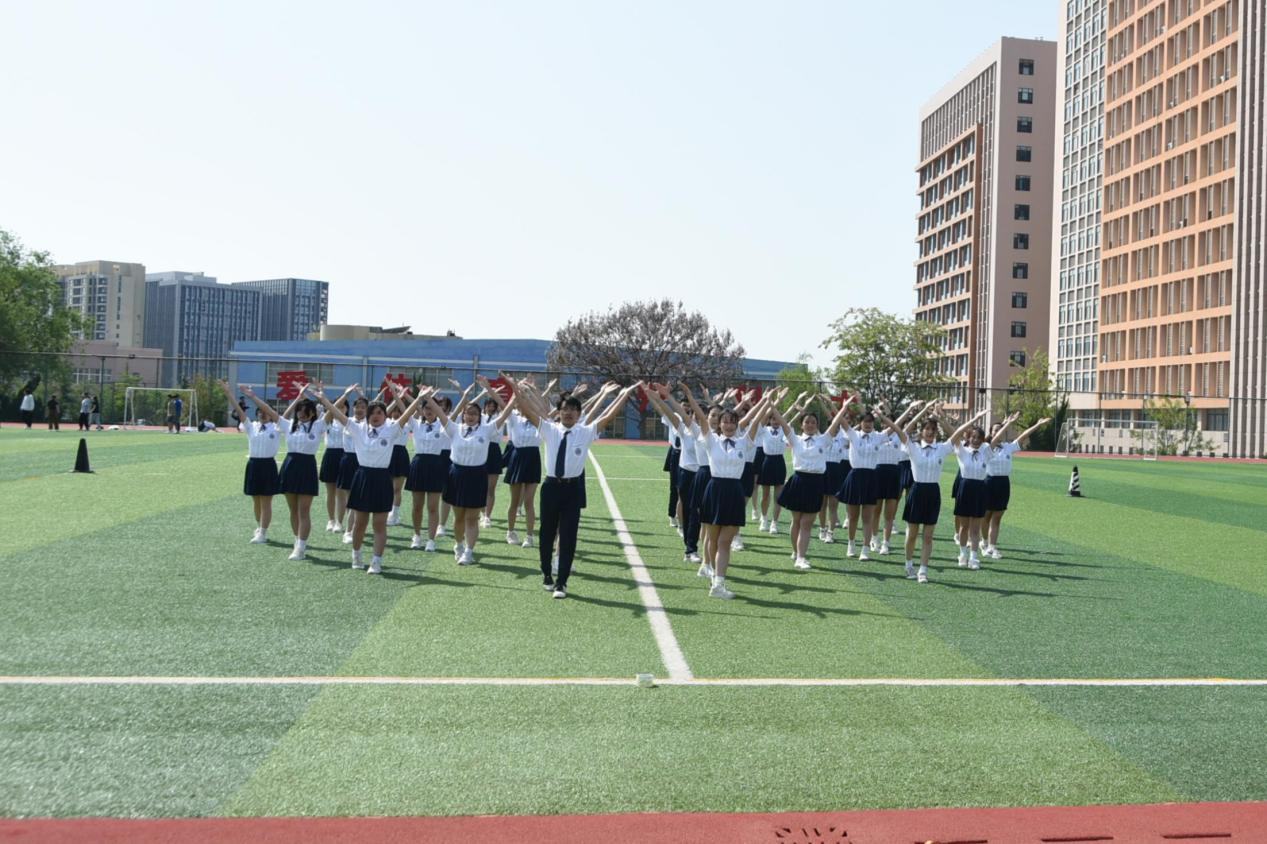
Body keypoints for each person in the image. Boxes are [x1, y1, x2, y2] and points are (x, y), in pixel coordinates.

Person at [509, 378, 638, 598]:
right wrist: (515, 388)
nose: (568, 413)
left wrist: (624, 395)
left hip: (572, 489)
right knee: (547, 534)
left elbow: (608, 416)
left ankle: (562, 582)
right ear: (558, 412)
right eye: (565, 409)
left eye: (573, 409)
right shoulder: (549, 429)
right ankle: (546, 573)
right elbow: (527, 410)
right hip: (551, 488)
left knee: (568, 536)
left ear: (579, 413)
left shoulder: (585, 432)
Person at [311, 382, 429, 574]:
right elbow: (337, 413)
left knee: (379, 524)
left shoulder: (391, 430)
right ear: (367, 415)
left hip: (382, 479)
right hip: (362, 477)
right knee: (360, 523)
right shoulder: (357, 428)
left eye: (380, 413)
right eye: (372, 413)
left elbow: (407, 413)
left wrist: (420, 398)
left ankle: (376, 561)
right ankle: (356, 555)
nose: (375, 416)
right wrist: (323, 399)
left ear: (385, 415)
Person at [419, 376, 514, 566]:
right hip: (457, 475)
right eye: (467, 413)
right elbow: (440, 413)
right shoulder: (454, 428)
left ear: (479, 416)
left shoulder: (487, 430)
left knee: (472, 517)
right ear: (463, 415)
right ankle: (459, 545)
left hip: (477, 475)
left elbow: (506, 412)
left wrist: (514, 392)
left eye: (474, 413)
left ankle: (469, 551)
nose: (470, 416)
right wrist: (428, 397)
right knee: (459, 517)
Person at [892, 402, 981, 583]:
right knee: (912, 534)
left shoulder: (942, 448)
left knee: (928, 536)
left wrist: (974, 419)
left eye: (933, 429)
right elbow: (899, 430)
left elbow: (957, 433)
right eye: (927, 429)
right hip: (917, 491)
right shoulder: (913, 447)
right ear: (921, 432)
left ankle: (923, 570)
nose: (930, 432)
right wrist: (919, 412)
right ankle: (909, 564)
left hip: (933, 492)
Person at [771, 397, 851, 571]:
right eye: (807, 422)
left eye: (813, 422)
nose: (810, 425)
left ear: (817, 425)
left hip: (815, 483)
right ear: (802, 425)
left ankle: (801, 557)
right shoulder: (795, 439)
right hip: (798, 481)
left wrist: (843, 408)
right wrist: (772, 405)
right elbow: (783, 423)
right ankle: (796, 552)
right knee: (796, 520)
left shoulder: (824, 439)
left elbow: (835, 422)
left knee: (807, 523)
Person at [219, 380, 280, 543]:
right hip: (253, 465)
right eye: (259, 412)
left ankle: (263, 532)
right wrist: (228, 393)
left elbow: (278, 415)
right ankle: (259, 527)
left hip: (268, 465)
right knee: (256, 500)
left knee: (266, 501)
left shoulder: (277, 427)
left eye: (265, 412)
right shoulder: (251, 426)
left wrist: (253, 397)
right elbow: (239, 412)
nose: (262, 414)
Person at [981, 415, 1050, 559]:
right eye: (995, 430)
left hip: (1003, 483)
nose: (998, 432)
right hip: (988, 482)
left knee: (997, 517)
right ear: (991, 433)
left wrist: (1038, 424)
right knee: (986, 516)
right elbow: (994, 440)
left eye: (1000, 430)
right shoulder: (987, 448)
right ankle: (984, 542)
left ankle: (992, 547)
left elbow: (1023, 436)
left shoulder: (1008, 447)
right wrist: (1007, 423)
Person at [277, 385, 329, 561]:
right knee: (293, 509)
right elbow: (271, 412)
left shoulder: (318, 425)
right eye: (299, 411)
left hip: (307, 467)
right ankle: (297, 540)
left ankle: (301, 546)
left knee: (304, 510)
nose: (301, 414)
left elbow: (333, 411)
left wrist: (322, 398)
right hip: (290, 466)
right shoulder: (289, 425)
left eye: (305, 411)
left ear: (312, 413)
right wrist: (297, 398)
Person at [837, 398, 886, 561]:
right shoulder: (853, 434)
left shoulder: (878, 437)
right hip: (855, 477)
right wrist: (844, 407)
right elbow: (840, 420)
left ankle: (865, 549)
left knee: (867, 517)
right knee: (852, 516)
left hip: (871, 478)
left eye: (871, 422)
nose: (868, 424)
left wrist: (882, 416)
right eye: (865, 421)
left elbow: (897, 426)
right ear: (860, 423)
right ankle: (851, 545)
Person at [404, 389, 451, 552]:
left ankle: (431, 539)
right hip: (418, 464)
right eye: (426, 408)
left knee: (432, 506)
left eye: (432, 408)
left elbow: (446, 416)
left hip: (436, 465)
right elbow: (404, 409)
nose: (429, 411)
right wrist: (416, 397)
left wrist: (430, 398)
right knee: (417, 505)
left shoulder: (443, 424)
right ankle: (417, 535)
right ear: (422, 410)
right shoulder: (416, 424)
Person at [952, 410, 996, 570]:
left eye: (979, 438)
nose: (976, 440)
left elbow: (996, 438)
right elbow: (954, 434)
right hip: (965, 488)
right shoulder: (962, 451)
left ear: (983, 440)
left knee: (976, 528)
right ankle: (963, 554)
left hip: (980, 489)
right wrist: (975, 419)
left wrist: (1008, 424)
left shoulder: (986, 452)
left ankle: (974, 557)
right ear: (969, 438)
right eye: (973, 437)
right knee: (964, 526)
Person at [502, 397, 543, 548]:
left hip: (533, 459)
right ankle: (510, 532)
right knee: (514, 501)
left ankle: (529, 536)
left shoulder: (539, 419)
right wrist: (515, 394)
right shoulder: (514, 417)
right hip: (517, 458)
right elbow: (501, 403)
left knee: (529, 501)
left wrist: (532, 393)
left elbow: (545, 408)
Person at [318, 387, 353, 533]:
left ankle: (341, 522)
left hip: (345, 457)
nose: (340, 408)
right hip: (330, 456)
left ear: (347, 408)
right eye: (338, 406)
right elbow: (329, 409)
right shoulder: (327, 421)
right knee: (330, 491)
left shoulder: (350, 422)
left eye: (343, 406)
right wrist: (345, 395)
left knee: (342, 492)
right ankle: (331, 520)